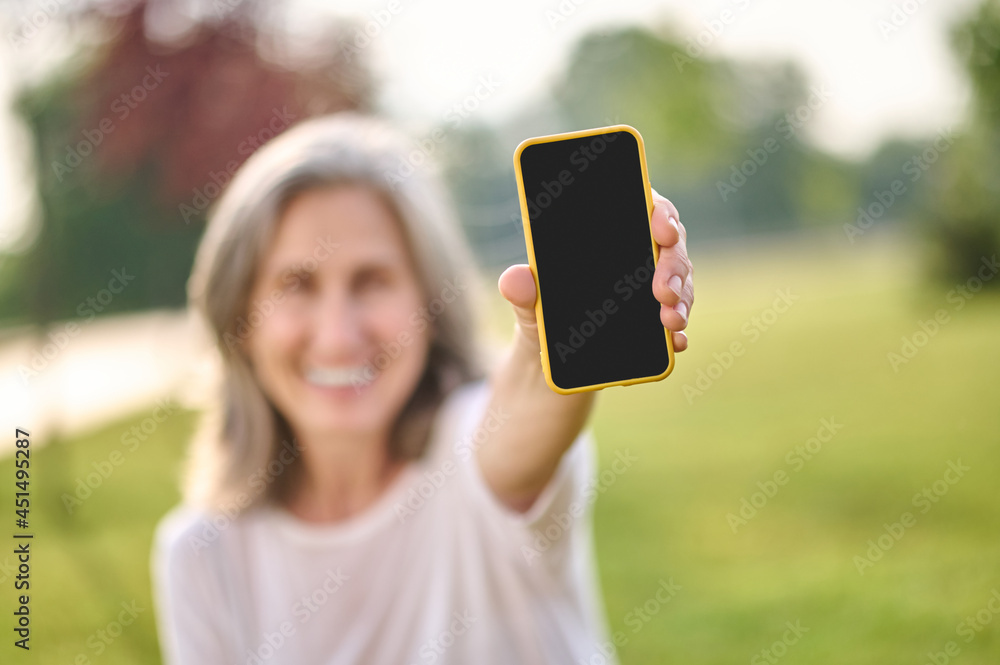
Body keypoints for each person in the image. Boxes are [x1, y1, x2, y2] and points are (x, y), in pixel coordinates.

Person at [151, 112, 694, 665]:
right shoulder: (202, 556)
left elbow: (519, 423)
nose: (338, 338)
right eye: (297, 285)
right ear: (240, 317)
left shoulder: (469, 456)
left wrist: (547, 347)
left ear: (431, 305)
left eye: (373, 280)